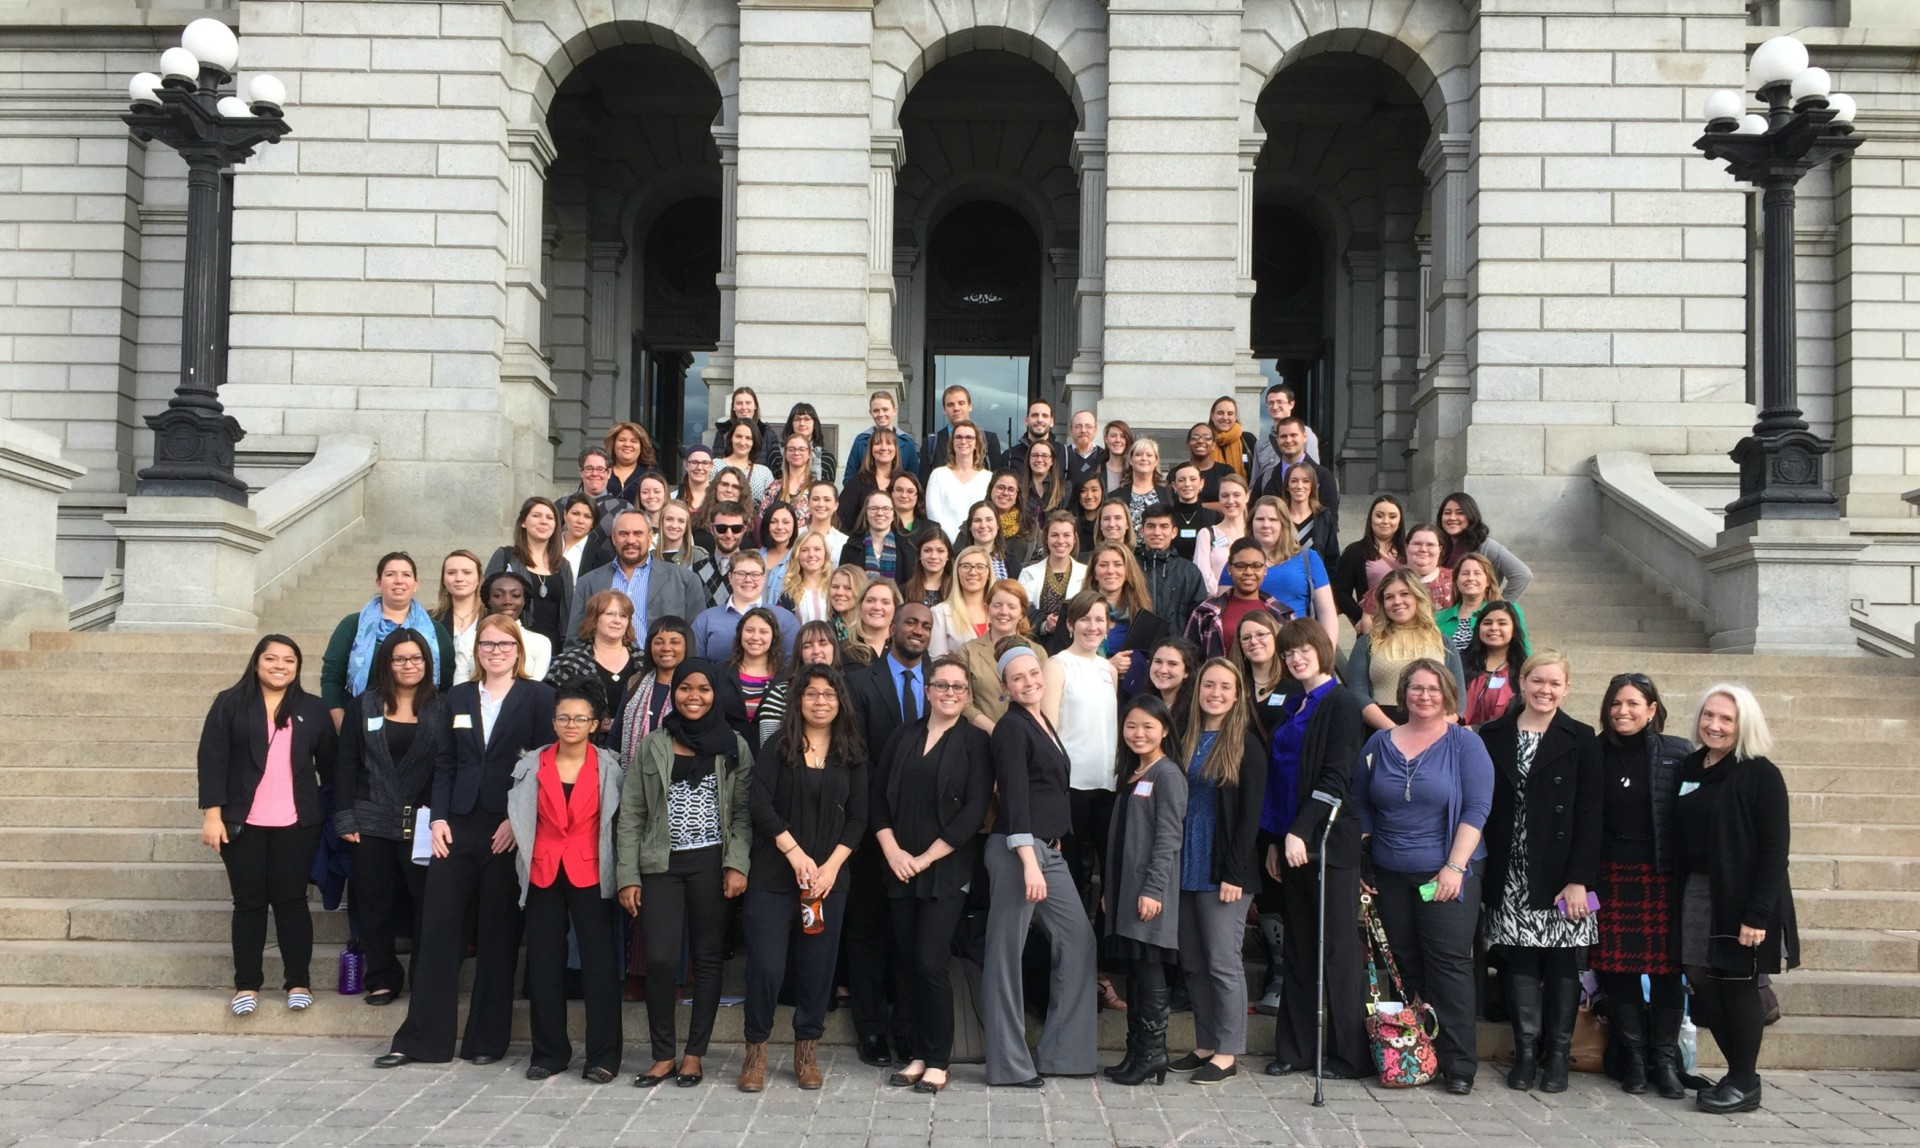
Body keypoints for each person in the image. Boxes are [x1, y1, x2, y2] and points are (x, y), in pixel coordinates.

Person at [378, 615, 556, 1069]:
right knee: (438, 930)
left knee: (498, 934)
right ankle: (422, 1040)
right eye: (487, 645)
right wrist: (436, 819)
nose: (495, 652)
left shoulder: (538, 697)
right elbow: (445, 763)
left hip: (506, 828)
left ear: (519, 649)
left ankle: (486, 1040)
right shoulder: (455, 697)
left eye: (504, 644)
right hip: (456, 826)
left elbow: (542, 766)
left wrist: (519, 823)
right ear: (476, 651)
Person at [1353, 659, 1495, 1095]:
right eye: (1416, 688)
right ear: (1403, 693)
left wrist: (1454, 867)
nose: (1425, 696)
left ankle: (1458, 1064)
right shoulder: (1379, 742)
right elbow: (1362, 804)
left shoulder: (1464, 745)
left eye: (1434, 688)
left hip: (1447, 872)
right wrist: (1364, 860)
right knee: (1404, 963)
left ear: (1448, 693)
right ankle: (1416, 1055)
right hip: (1390, 873)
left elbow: (1477, 808)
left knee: (1449, 965)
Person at [616, 659, 752, 1088]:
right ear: (673, 693)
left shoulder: (733, 744)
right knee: (659, 958)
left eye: (704, 689)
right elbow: (632, 812)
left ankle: (694, 1055)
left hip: (712, 863)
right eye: (685, 688)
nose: (693, 697)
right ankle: (662, 1055)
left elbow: (744, 815)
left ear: (716, 694)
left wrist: (737, 864)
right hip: (661, 865)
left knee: (708, 958)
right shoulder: (654, 744)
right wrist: (628, 875)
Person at [1478, 651, 1602, 1094]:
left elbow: (1591, 814)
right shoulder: (1492, 734)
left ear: (1566, 689)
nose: (1545, 690)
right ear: (1522, 682)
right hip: (1509, 866)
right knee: (1519, 959)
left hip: (1560, 871)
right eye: (1537, 681)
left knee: (1562, 960)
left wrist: (1579, 879)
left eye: (1554, 683)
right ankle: (1527, 1050)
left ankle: (1559, 1055)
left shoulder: (1582, 738)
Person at [739, 663, 868, 1092]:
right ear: (798, 700)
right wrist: (794, 853)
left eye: (828, 695)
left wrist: (831, 866)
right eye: (812, 694)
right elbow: (760, 805)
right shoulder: (779, 745)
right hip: (775, 876)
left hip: (827, 883)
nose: (820, 702)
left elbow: (859, 818)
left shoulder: (851, 752)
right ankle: (755, 1051)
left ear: (840, 702)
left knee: (817, 969)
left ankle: (806, 1052)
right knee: (766, 966)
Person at [198, 634, 338, 1017]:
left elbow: (330, 767)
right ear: (257, 663)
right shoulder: (230, 703)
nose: (280, 666)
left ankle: (298, 981)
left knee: (292, 902)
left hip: (298, 822)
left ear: (298, 666)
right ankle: (246, 984)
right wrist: (213, 815)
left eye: (289, 660)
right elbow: (212, 761)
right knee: (249, 904)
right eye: (272, 659)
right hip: (242, 822)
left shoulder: (312, 708)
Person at [872, 655, 994, 1094]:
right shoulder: (903, 735)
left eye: (957, 687)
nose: (948, 693)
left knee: (929, 961)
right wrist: (892, 851)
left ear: (967, 694)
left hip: (945, 870)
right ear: (927, 690)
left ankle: (940, 1060)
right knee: (905, 964)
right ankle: (918, 1054)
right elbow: (877, 799)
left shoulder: (976, 742)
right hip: (899, 867)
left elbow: (973, 813)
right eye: (940, 685)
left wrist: (923, 858)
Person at [1676, 684, 1797, 1115]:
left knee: (1737, 983)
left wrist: (1758, 913)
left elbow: (1774, 852)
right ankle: (1737, 1072)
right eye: (1709, 715)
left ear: (1744, 724)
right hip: (1697, 889)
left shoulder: (1761, 774)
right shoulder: (1693, 766)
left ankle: (1745, 1081)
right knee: (1699, 977)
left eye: (1726, 719)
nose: (1715, 725)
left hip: (1742, 896)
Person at [982, 643, 1099, 1085]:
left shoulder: (1041, 720)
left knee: (1078, 940)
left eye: (1034, 674)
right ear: (1004, 686)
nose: (1029, 682)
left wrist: (1051, 847)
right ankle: (1009, 1066)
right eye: (1018, 678)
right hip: (1018, 851)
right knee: (1005, 954)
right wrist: (1029, 859)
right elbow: (1012, 796)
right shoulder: (1011, 728)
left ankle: (1063, 1055)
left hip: (1047, 849)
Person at [1260, 620, 1369, 1078]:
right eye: (1288, 653)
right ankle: (1297, 1049)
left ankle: (1351, 1053)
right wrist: (1274, 840)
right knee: (1301, 950)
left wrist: (1301, 831)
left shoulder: (1341, 703)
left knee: (1337, 949)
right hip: (1291, 844)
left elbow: (1336, 778)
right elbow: (1280, 778)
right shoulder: (1294, 703)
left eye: (1304, 649)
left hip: (1326, 843)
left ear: (1323, 650)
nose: (1296, 658)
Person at [507, 684, 626, 1083]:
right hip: (542, 869)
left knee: (600, 964)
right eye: (563, 717)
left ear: (594, 724)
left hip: (592, 871)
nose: (571, 724)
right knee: (543, 962)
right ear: (553, 722)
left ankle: (603, 1056)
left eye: (580, 718)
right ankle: (549, 1052)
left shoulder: (610, 766)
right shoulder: (532, 764)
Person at [842, 602, 936, 1066]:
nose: (917, 631)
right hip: (869, 828)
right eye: (911, 623)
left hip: (926, 835)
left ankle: (906, 1027)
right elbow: (856, 756)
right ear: (892, 628)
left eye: (925, 625)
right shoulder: (859, 682)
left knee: (912, 936)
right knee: (867, 932)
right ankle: (872, 1029)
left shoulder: (943, 682)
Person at [1164, 661, 1266, 1085]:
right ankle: (1205, 1043)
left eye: (1226, 686)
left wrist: (1236, 873)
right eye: (1210, 684)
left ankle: (1227, 1051)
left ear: (1238, 694)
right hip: (1184, 863)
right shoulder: (1183, 738)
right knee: (1193, 964)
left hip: (1223, 867)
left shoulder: (1246, 744)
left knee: (1223, 963)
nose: (1217, 693)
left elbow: (1249, 817)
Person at [1593, 672, 1692, 1100]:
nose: (1623, 711)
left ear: (1652, 710)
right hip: (1611, 874)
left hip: (1662, 875)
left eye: (1633, 704)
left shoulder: (1678, 753)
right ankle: (1633, 1059)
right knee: (1619, 971)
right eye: (1616, 703)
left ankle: (1665, 1061)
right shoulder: (1594, 752)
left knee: (1667, 972)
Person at [334, 628, 445, 1008]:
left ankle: (424, 977)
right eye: (399, 659)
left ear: (427, 663)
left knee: (424, 903)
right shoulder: (362, 706)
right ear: (387, 663)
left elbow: (447, 767)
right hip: (369, 821)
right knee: (373, 902)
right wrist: (345, 817)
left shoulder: (442, 707)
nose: (408, 665)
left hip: (424, 822)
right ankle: (381, 978)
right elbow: (345, 765)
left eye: (416, 658)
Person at [1044, 590, 1127, 1013]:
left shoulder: (1108, 671)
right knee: (1073, 882)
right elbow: (1048, 728)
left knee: (1108, 885)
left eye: (1101, 620)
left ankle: (1100, 975)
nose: (1093, 627)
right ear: (1070, 623)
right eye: (1086, 620)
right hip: (1070, 789)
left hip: (1107, 788)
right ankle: (1070, 975)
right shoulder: (1057, 665)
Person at [1102, 696, 1190, 1091]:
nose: (1138, 734)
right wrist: (1110, 891)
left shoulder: (1167, 774)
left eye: (1148, 727)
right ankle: (1137, 1052)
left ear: (1165, 730)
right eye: (1131, 726)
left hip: (1149, 892)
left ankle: (1154, 1052)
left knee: (1150, 967)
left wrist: (1153, 888)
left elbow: (1169, 837)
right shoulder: (1133, 773)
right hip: (1125, 891)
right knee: (1135, 972)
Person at [322, 552, 454, 731]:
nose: (399, 581)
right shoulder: (354, 625)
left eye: (406, 575)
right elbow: (332, 677)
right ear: (379, 582)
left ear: (416, 584)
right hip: (359, 723)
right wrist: (341, 723)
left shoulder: (434, 630)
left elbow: (445, 683)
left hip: (420, 727)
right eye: (390, 574)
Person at [1347, 569, 1466, 730]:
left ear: (1418, 597)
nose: (1397, 601)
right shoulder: (1366, 643)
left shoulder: (1444, 643)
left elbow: (1458, 702)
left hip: (1435, 737)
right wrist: (1395, 732)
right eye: (1389, 597)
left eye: (1405, 594)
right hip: (1380, 733)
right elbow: (1357, 694)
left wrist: (1431, 733)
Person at [569, 509, 709, 641]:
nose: (630, 540)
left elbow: (696, 639)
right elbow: (574, 640)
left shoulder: (685, 580)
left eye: (638, 533)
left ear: (649, 537)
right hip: (603, 665)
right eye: (623, 534)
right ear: (614, 538)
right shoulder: (588, 583)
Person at [544, 590, 642, 748]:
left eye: (623, 616)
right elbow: (551, 709)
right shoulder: (568, 663)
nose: (617, 620)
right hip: (582, 750)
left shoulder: (644, 662)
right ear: (594, 619)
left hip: (636, 750)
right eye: (610, 614)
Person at [484, 497, 574, 651]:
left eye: (550, 517)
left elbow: (568, 611)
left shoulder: (563, 566)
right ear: (523, 522)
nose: (544, 521)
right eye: (536, 515)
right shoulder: (505, 556)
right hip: (511, 646)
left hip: (554, 650)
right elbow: (486, 601)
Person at [1183, 538, 1293, 661]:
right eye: (1241, 566)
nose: (1249, 572)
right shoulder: (1204, 613)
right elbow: (1189, 662)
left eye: (1256, 566)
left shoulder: (1282, 614)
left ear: (1265, 570)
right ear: (1229, 569)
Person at [956, 581, 1047, 729]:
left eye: (1011, 607)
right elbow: (964, 702)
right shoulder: (968, 651)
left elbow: (1044, 699)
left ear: (1022, 613)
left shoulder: (1037, 652)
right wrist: (996, 732)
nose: (1004, 612)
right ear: (987, 609)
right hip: (981, 739)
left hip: (1027, 738)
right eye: (997, 605)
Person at [1252, 496, 1338, 646]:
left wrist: (1328, 652)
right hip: (1253, 647)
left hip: (1297, 647)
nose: (1266, 525)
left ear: (1284, 524)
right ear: (1251, 523)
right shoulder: (1237, 563)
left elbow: (1327, 611)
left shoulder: (1308, 558)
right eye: (1260, 519)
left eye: (1273, 519)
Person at [1087, 541, 1170, 697]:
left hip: (1130, 698)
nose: (1110, 571)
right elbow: (1069, 661)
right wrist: (1108, 666)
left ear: (1127, 572)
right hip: (1090, 694)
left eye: (1117, 564)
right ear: (1094, 573)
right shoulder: (1080, 612)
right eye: (1103, 565)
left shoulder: (1143, 616)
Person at [693, 553, 801, 663]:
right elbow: (695, 666)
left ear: (764, 578)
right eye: (741, 574)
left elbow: (791, 667)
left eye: (755, 574)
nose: (748, 579)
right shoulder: (706, 619)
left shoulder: (786, 619)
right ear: (730, 577)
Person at [753, 620, 841, 745]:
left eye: (823, 643)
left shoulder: (848, 689)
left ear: (834, 648)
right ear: (799, 653)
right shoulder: (781, 694)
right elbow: (768, 749)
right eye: (807, 646)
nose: (816, 651)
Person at [1437, 492, 1533, 599]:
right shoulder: (1437, 546)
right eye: (1447, 513)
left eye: (1460, 513)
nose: (1452, 518)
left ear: (1471, 516)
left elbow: (1522, 575)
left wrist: (1500, 607)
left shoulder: (1485, 546)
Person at [1333, 493, 1406, 632]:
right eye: (1379, 515)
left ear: (1400, 521)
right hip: (1374, 627)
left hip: (1407, 627)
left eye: (1392, 516)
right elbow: (1341, 593)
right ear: (1370, 519)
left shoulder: (1410, 550)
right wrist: (1363, 618)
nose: (1385, 521)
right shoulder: (1355, 551)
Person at [1435, 552, 1528, 653]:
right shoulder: (1438, 618)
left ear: (1488, 581)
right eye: (1465, 573)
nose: (1471, 578)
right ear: (1456, 581)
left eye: (1477, 573)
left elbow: (1523, 651)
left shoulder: (1510, 611)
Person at [1019, 511, 1088, 649]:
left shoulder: (1087, 573)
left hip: (1076, 646)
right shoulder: (1028, 573)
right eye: (1055, 535)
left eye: (1066, 535)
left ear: (1074, 538)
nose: (1060, 541)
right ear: (1046, 538)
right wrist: (1045, 625)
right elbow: (1021, 611)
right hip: (1037, 647)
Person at [720, 608, 786, 747]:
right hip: (728, 758)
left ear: (773, 637)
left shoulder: (787, 677)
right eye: (749, 630)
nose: (755, 637)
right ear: (740, 634)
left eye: (763, 632)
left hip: (772, 759)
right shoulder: (721, 672)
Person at [1460, 601, 1529, 727]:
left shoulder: (1525, 670)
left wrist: (1476, 730)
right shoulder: (1459, 663)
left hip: (1499, 741)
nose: (1494, 628)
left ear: (1514, 630)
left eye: (1502, 623)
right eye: (1487, 623)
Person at [1361, 523, 1454, 616]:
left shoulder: (1456, 580)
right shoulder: (1389, 581)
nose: (1423, 549)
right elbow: (1368, 623)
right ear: (1406, 547)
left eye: (1430, 545)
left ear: (1440, 549)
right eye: (1417, 544)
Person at [1137, 505, 1208, 624]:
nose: (1157, 532)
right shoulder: (1129, 566)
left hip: (1176, 641)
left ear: (1174, 532)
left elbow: (1198, 616)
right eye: (1151, 526)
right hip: (1137, 641)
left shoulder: (1189, 571)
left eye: (1164, 526)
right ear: (1142, 531)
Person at [1254, 416, 1338, 517]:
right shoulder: (1265, 479)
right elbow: (1254, 519)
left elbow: (1330, 524)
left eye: (1293, 435)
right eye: (1283, 436)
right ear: (1277, 440)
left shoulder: (1324, 477)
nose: (1288, 440)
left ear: (1304, 437)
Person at [925, 418, 991, 540]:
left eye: (969, 437)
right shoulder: (938, 475)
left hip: (977, 547)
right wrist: (953, 544)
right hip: (945, 547)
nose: (963, 441)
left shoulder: (988, 478)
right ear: (952, 442)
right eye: (958, 437)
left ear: (976, 443)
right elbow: (933, 515)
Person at [920, 385, 1004, 479]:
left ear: (970, 406)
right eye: (950, 405)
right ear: (944, 410)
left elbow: (996, 481)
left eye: (961, 403)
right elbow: (924, 485)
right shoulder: (930, 443)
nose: (956, 408)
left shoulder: (989, 440)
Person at [481, 570, 553, 680]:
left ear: (524, 601)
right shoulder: (468, 640)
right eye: (498, 595)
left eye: (515, 595)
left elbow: (536, 688)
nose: (507, 601)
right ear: (488, 600)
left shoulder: (541, 643)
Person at [1251, 382, 1320, 489]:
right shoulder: (1261, 443)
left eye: (1280, 402)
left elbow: (1314, 472)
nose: (1275, 406)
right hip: (1268, 501)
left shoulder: (1305, 435)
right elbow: (1255, 481)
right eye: (1271, 403)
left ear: (1291, 404)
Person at [430, 549, 484, 684]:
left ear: (478, 579)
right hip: (438, 695)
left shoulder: (493, 618)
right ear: (443, 580)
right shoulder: (429, 620)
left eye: (467, 572)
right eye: (451, 573)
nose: (459, 578)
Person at [841, 389, 920, 480]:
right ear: (870, 413)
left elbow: (914, 479)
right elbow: (849, 478)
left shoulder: (907, 443)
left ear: (894, 411)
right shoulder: (861, 440)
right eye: (876, 411)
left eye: (885, 409)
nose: (881, 414)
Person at [929, 544, 992, 655]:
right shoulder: (940, 613)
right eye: (966, 566)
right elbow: (938, 662)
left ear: (989, 574)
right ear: (957, 572)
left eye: (980, 567)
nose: (973, 572)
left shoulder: (1000, 612)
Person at [841, 489, 914, 585]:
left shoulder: (907, 548)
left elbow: (910, 587)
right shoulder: (850, 547)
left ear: (893, 516)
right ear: (866, 514)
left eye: (886, 509)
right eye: (874, 508)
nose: (880, 513)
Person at [1193, 473, 1250, 593]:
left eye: (1236, 495)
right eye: (1225, 495)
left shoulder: (1255, 533)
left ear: (1247, 497)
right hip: (1218, 604)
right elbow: (1202, 575)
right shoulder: (1207, 534)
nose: (1230, 501)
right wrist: (1224, 597)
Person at [1280, 464, 1339, 573]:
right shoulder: (1279, 517)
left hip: (1315, 584)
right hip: (1284, 582)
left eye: (1306, 481)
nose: (1299, 486)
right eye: (1294, 481)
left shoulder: (1324, 517)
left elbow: (1332, 560)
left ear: (1313, 485)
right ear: (1287, 486)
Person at [695, 502, 753, 601]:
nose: (729, 535)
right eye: (721, 528)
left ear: (744, 530)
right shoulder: (694, 571)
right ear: (711, 528)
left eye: (736, 529)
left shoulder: (754, 572)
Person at [777, 530, 835, 623]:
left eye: (817, 549)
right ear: (797, 555)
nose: (811, 555)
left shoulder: (835, 589)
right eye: (804, 550)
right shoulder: (788, 595)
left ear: (825, 554)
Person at [769, 401, 836, 481]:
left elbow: (828, 490)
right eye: (797, 419)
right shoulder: (776, 454)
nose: (802, 423)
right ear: (791, 424)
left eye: (807, 419)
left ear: (814, 424)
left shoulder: (828, 459)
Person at [1166, 463, 1223, 557]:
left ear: (1201, 483)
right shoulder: (1165, 516)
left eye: (1193, 479)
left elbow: (1220, 548)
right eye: (1181, 480)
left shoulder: (1214, 517)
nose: (1187, 484)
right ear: (1174, 486)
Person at [575, 446, 634, 536]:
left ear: (609, 473)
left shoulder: (624, 508)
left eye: (600, 469)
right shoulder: (563, 505)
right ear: (581, 472)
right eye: (589, 469)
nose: (594, 474)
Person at [966, 498, 1028, 581]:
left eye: (989, 520)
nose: (983, 525)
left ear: (998, 525)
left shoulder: (1012, 562)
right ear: (970, 526)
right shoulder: (958, 560)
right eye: (977, 520)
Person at [718, 418, 775, 508]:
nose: (742, 442)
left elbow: (770, 507)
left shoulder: (764, 473)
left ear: (754, 442)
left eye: (748, 438)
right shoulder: (715, 466)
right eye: (738, 436)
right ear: (731, 438)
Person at [1140, 636, 1199, 721]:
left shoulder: (1195, 711)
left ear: (1187, 671)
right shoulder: (1143, 703)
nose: (1163, 670)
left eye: (1172, 664)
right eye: (1158, 661)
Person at [1122, 438, 1171, 532]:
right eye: (1138, 454)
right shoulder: (1117, 495)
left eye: (1149, 455)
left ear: (1156, 461)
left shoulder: (1168, 493)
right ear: (1130, 460)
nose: (1144, 458)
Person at [711, 386, 772, 459]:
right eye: (739, 403)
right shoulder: (723, 432)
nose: (743, 407)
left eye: (748, 403)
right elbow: (717, 461)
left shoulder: (768, 433)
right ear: (733, 407)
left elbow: (775, 466)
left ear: (755, 406)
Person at [557, 493, 609, 579]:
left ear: (593, 522)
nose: (580, 521)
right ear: (565, 515)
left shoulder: (600, 556)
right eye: (575, 513)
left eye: (587, 516)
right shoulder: (547, 545)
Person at [604, 421, 658, 503]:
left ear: (641, 446)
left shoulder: (652, 475)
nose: (627, 444)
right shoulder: (600, 473)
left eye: (633, 441)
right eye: (622, 440)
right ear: (613, 444)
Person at [763, 435, 817, 517]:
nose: (796, 453)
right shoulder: (773, 488)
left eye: (802, 449)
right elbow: (764, 519)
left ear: (809, 454)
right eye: (791, 449)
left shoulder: (816, 488)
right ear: (785, 453)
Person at [1004, 398, 1060, 476]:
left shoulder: (1066, 455)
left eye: (1045, 416)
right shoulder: (1009, 456)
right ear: (1026, 420)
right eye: (1035, 415)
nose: (1040, 419)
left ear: (1051, 421)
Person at [1207, 395, 1257, 481]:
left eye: (1230, 413)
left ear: (1235, 417)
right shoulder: (1205, 441)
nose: (1225, 417)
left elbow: (1256, 473)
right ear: (1212, 416)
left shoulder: (1248, 440)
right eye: (1220, 413)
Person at [901, 526, 952, 607]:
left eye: (940, 551)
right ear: (919, 555)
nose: (933, 556)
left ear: (948, 556)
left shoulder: (957, 590)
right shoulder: (904, 592)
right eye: (927, 550)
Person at [1019, 438, 1067, 523]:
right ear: (1029, 459)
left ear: (1052, 461)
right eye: (1034, 455)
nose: (1039, 460)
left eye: (1045, 456)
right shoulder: (1018, 487)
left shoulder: (1064, 488)